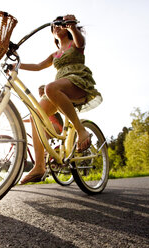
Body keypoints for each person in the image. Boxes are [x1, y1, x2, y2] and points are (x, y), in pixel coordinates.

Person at [19, 14, 101, 184]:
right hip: (58, 88)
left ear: (67, 27)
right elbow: (37, 66)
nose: (56, 27)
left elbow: (82, 43)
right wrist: (17, 66)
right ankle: (39, 166)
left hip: (78, 82)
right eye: (53, 26)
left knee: (50, 87)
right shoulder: (54, 54)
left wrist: (72, 26)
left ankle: (80, 130)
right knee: (36, 115)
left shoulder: (74, 43)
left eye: (59, 24)